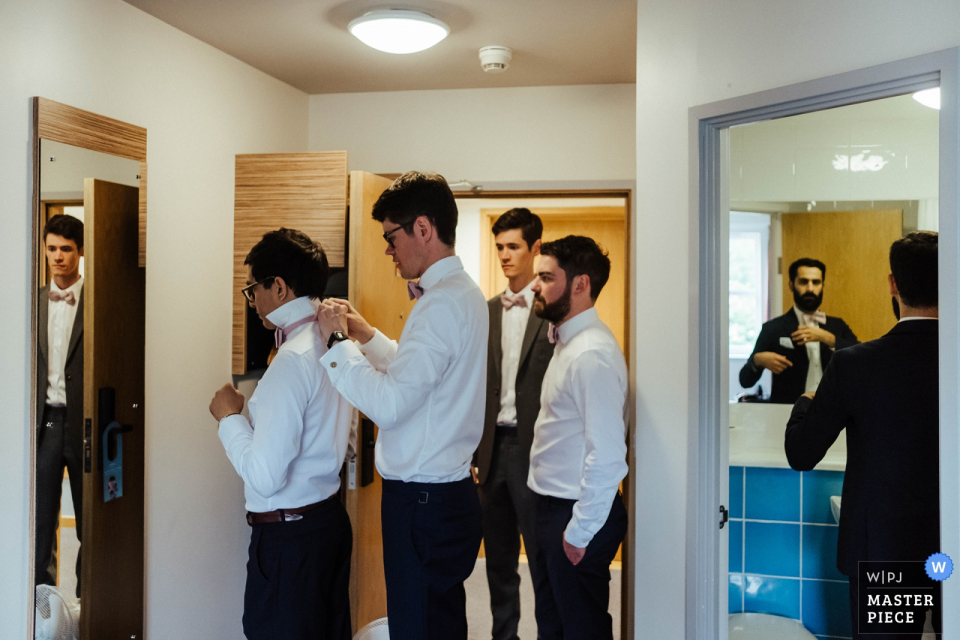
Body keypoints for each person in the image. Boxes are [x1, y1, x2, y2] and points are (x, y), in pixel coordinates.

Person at [316, 171, 487, 640]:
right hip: (446, 497)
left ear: (424, 229)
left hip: (423, 506)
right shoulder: (463, 294)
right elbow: (424, 380)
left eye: (391, 237)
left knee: (420, 629)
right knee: (437, 624)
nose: (388, 250)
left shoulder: (439, 305)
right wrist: (365, 336)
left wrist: (334, 343)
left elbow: (391, 405)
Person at [784, 232, 940, 639]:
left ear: (893, 284)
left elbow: (802, 453)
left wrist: (805, 401)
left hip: (883, 551)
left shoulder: (855, 365)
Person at [208, 228, 353, 640]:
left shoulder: (291, 360)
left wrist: (228, 418)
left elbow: (266, 475)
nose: (252, 301)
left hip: (290, 542)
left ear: (279, 286)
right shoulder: (333, 342)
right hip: (326, 524)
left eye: (253, 289)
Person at [526, 235, 628, 640]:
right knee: (554, 626)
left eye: (546, 277)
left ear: (580, 284)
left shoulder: (590, 355)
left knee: (581, 629)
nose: (534, 286)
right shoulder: (567, 342)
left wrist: (579, 531)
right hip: (550, 506)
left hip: (575, 513)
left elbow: (606, 455)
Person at [473, 208, 554, 640]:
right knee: (499, 562)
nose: (504, 255)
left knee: (541, 560)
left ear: (535, 248)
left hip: (535, 452)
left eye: (513, 246)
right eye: (499, 247)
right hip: (490, 453)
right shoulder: (485, 310)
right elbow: (474, 387)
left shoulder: (553, 309)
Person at [36, 214, 85, 596]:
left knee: (90, 521)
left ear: (80, 252)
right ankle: (42, 604)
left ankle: (90, 602)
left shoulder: (98, 300)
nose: (57, 256)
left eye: (66, 249)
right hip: (45, 423)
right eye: (51, 248)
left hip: (83, 420)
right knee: (40, 519)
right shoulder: (33, 301)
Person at [739, 257, 859, 403]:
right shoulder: (773, 328)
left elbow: (861, 358)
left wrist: (828, 338)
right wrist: (757, 361)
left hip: (833, 411)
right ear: (791, 285)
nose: (810, 288)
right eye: (803, 282)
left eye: (816, 282)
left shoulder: (837, 326)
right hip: (787, 414)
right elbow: (745, 381)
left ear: (822, 285)